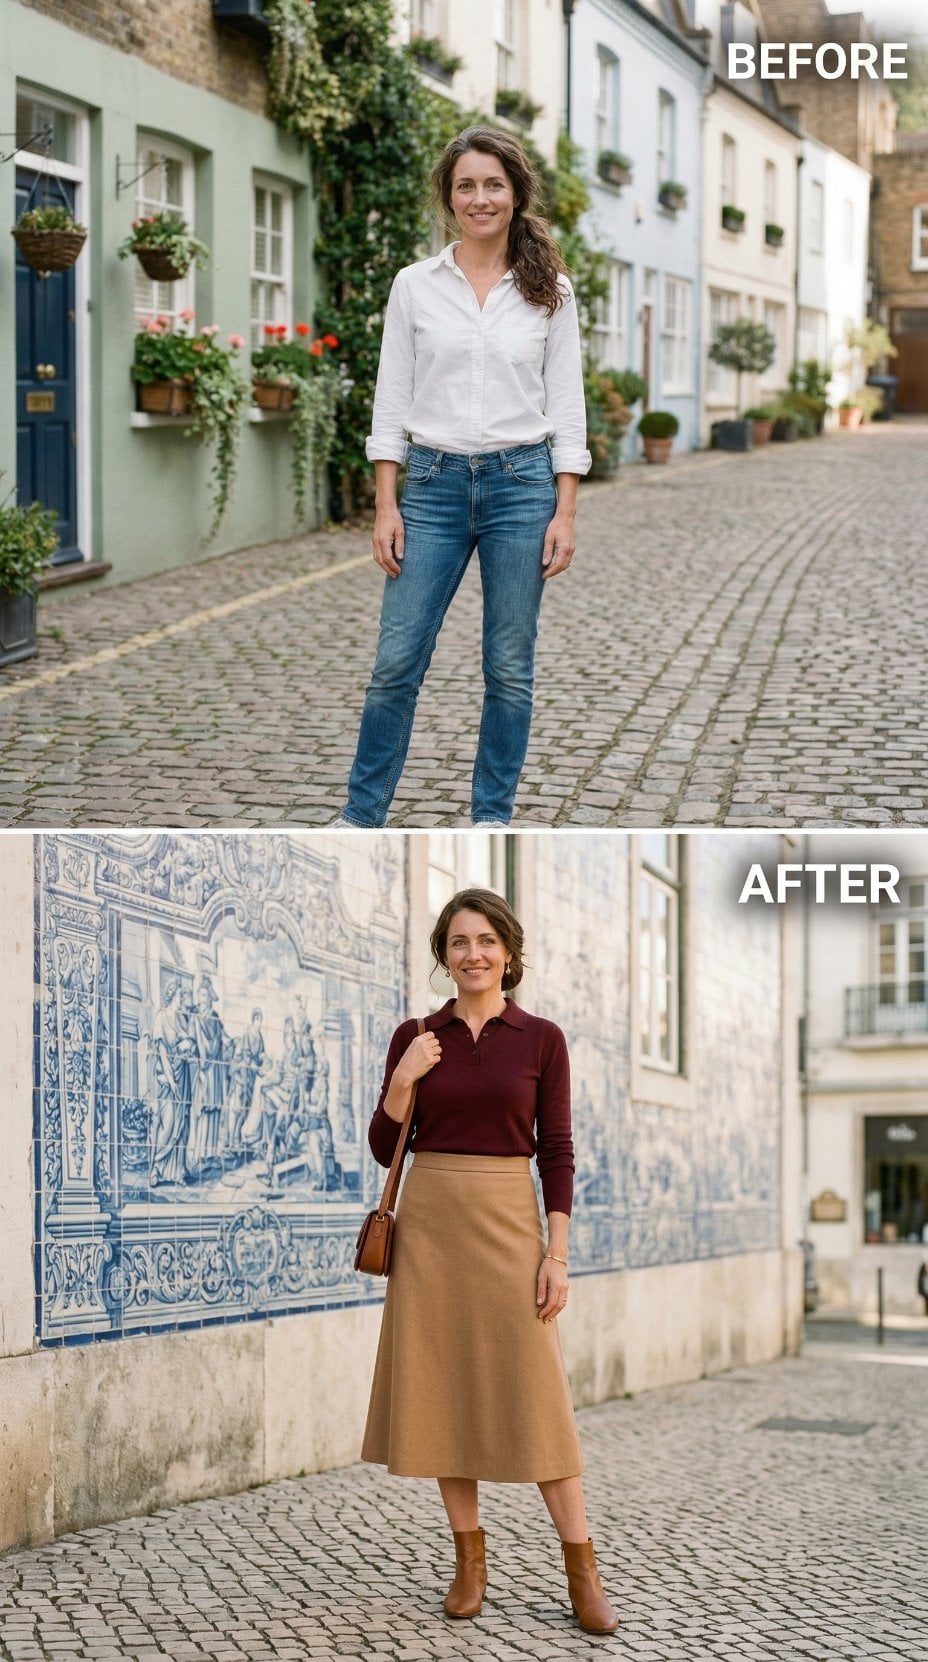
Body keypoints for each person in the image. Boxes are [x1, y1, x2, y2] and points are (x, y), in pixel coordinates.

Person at [361, 888, 618, 1635]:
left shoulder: (541, 1038)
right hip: (432, 1226)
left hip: (511, 1224)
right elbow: (386, 1149)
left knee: (538, 1398)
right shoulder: (415, 1033)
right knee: (443, 1392)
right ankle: (469, 1562)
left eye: (485, 941)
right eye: (458, 942)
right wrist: (406, 1076)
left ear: (509, 950)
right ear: (444, 954)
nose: (472, 954)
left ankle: (582, 1569)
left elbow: (559, 1151)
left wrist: (557, 1253)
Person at [335, 126, 591, 829]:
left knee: (508, 668)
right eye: (466, 186)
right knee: (396, 661)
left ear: (516, 193)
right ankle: (361, 816)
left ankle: (491, 814)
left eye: (493, 185)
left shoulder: (551, 293)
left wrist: (564, 511)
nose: (480, 198)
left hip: (522, 487)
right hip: (433, 489)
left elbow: (567, 407)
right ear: (450, 198)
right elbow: (391, 398)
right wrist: (386, 503)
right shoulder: (415, 287)